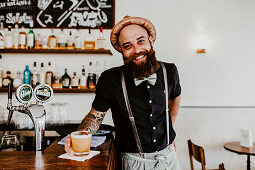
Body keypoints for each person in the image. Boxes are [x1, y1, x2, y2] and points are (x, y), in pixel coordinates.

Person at [65, 16, 182, 170]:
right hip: (133, 162)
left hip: (170, 159)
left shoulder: (170, 71)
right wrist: (79, 137)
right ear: (121, 50)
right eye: (128, 46)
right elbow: (95, 116)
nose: (136, 50)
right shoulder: (110, 79)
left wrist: (168, 131)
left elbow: (175, 100)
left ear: (151, 40)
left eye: (140, 41)